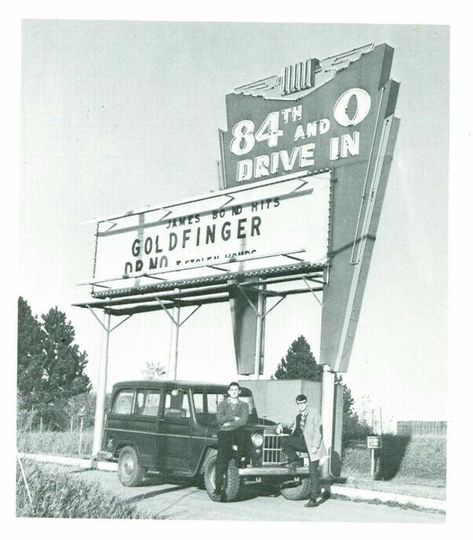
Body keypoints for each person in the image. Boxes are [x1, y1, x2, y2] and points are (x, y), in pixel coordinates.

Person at [277, 393, 327, 508]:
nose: (301, 406)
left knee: (313, 471)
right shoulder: (299, 415)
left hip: (314, 446)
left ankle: (313, 499)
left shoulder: (314, 413)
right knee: (284, 441)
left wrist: (315, 446)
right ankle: (295, 460)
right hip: (303, 443)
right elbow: (290, 423)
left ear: (306, 403)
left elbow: (319, 430)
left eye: (303, 403)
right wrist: (280, 424)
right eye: (299, 404)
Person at [213, 381, 249, 501]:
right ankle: (218, 489)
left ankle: (239, 464)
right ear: (228, 392)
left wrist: (229, 422)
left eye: (236, 390)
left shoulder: (244, 405)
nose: (234, 392)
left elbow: (243, 421)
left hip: (238, 432)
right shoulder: (223, 404)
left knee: (241, 450)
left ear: (239, 392)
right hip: (225, 433)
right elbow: (219, 420)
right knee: (221, 459)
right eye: (232, 390)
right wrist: (233, 417)